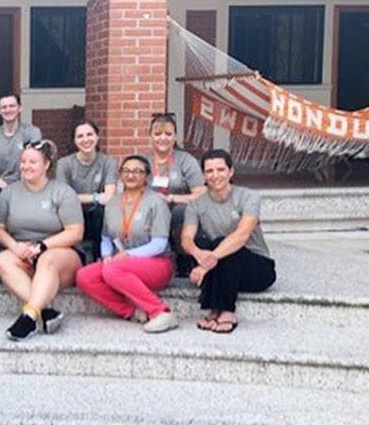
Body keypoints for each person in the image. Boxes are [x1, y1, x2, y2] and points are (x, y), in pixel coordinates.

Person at [0, 141, 84, 341]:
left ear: (47, 165)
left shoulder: (62, 192)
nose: (26, 166)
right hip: (24, 253)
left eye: (32, 162)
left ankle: (29, 316)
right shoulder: (9, 192)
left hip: (60, 255)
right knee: (2, 260)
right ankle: (44, 310)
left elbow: (75, 232)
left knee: (47, 259)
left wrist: (43, 246)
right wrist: (14, 246)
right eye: (23, 161)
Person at [75, 155, 177, 333]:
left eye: (137, 171)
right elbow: (106, 237)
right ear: (120, 175)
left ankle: (160, 312)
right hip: (120, 262)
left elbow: (159, 244)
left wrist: (128, 255)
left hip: (157, 263)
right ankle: (132, 312)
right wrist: (107, 256)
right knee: (85, 276)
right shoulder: (113, 203)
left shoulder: (156, 202)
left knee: (113, 269)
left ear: (147, 176)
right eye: (126, 171)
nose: (131, 175)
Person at [182, 149, 276, 334]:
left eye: (220, 169)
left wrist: (206, 265)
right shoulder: (195, 204)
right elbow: (186, 238)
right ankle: (216, 309)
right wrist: (198, 254)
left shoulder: (249, 197)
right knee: (206, 244)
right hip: (220, 266)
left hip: (257, 268)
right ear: (203, 175)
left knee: (227, 245)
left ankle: (226, 311)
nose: (215, 175)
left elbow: (242, 235)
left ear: (231, 171)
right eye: (209, 171)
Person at [147, 113, 205, 273]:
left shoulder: (186, 161)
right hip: (149, 211)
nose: (163, 138)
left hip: (177, 210)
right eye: (157, 134)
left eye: (168, 134)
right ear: (150, 136)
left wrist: (172, 198)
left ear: (175, 137)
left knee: (184, 212)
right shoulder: (143, 161)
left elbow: (201, 193)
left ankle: (183, 259)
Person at [55, 119, 117, 260]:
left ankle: (100, 257)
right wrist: (96, 197)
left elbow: (109, 196)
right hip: (73, 213)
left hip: (97, 214)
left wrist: (78, 197)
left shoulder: (108, 162)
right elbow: (63, 198)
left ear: (97, 137)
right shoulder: (64, 164)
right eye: (80, 136)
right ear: (75, 141)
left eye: (89, 134)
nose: (86, 140)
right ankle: (77, 257)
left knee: (103, 213)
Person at [0, 93, 42, 204]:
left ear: (19, 108)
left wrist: (20, 189)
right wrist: (8, 189)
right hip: (1, 187)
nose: (8, 110)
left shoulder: (32, 133)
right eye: (4, 107)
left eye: (12, 106)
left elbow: (33, 164)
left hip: (29, 186)